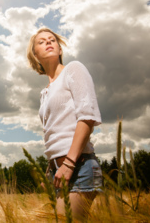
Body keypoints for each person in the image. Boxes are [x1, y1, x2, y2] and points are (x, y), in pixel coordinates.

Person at [27, 27, 103, 221]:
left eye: (52, 40)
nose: (49, 43)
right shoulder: (45, 92)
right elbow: (53, 133)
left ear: (60, 50)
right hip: (57, 173)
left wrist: (68, 163)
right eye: (41, 42)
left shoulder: (74, 69)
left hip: (78, 166)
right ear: (35, 55)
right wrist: (49, 171)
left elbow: (87, 117)